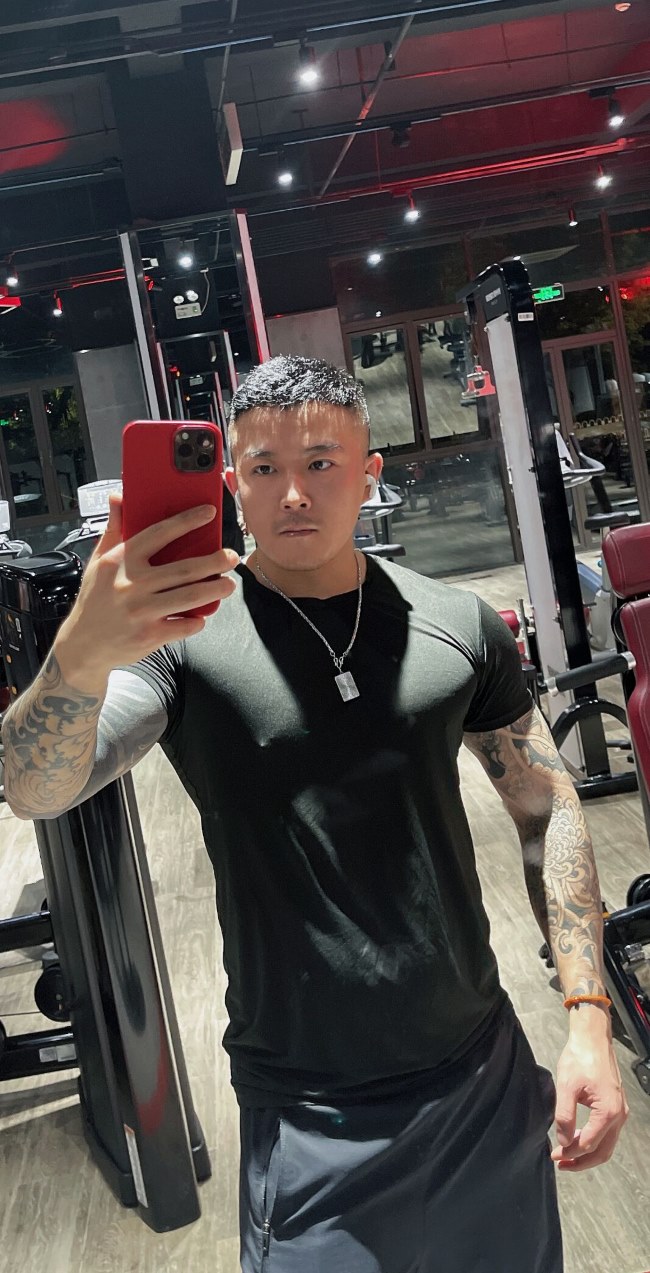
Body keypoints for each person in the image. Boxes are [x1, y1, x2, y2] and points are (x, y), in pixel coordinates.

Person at [2, 356, 628, 1272]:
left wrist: (589, 1018)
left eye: (321, 463)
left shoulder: (457, 623)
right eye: (264, 468)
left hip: (480, 1079)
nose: (293, 493)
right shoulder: (181, 645)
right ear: (232, 485)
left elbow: (545, 808)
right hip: (309, 1115)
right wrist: (81, 656)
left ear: (369, 472)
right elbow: (34, 787)